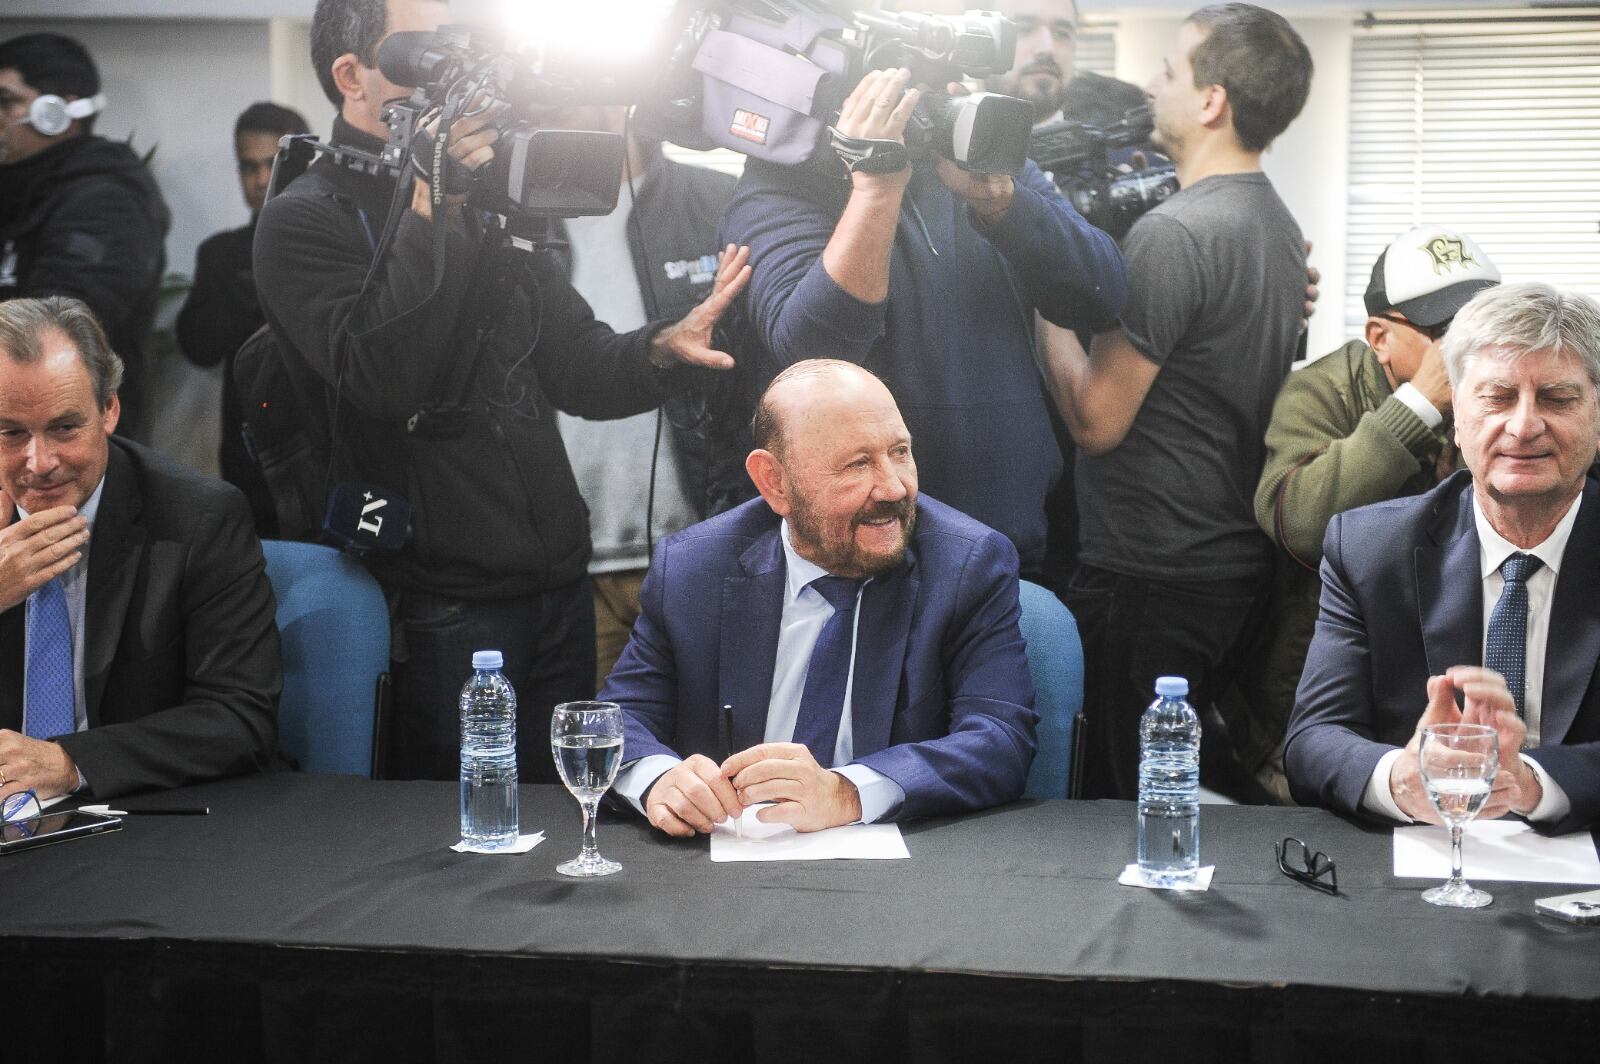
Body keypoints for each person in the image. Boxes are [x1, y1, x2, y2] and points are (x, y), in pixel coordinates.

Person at [252, 0, 749, 784]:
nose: (462, 66)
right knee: (462, 839)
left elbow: (578, 365)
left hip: (555, 583)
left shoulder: (487, 208)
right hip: (439, 601)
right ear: (352, 77)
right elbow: (386, 378)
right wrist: (431, 197)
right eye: (429, 50)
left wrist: (663, 346)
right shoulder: (304, 222)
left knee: (562, 814)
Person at [715, 53, 1127, 578]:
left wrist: (1000, 200)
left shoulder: (985, 165)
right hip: (867, 556)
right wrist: (876, 185)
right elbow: (814, 355)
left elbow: (1101, 294)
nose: (927, 95)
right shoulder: (781, 179)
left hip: (1011, 545)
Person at [1042, 3, 1312, 799]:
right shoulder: (1277, 224)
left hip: (1149, 575)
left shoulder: (1176, 233)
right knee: (1171, 793)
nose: (1152, 87)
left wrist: (1045, 305)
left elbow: (1097, 418)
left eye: (1169, 71)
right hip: (1223, 568)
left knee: (1127, 806)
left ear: (1211, 102)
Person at [605, 360, 1037, 836]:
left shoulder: (967, 565)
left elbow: (1000, 738)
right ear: (775, 482)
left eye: (900, 451)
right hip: (727, 872)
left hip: (899, 876)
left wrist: (848, 793)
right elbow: (618, 721)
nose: (894, 486)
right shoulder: (693, 569)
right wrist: (659, 780)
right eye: (857, 464)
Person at [1285, 282, 1600, 836]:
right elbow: (1314, 739)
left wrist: (1530, 782)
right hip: (1422, 865)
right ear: (1455, 415)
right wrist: (1401, 778)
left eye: (1557, 398)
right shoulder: (1368, 549)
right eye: (1497, 397)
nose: (1524, 426)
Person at [1242, 225, 1501, 801]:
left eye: (1481, 324)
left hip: (1446, 687)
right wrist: (1417, 408)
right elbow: (1301, 521)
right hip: (1325, 689)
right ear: (1380, 337)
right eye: (1444, 331)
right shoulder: (1322, 391)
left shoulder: (1497, 396)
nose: (1470, 346)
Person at [0, 297, 280, 803]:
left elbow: (240, 718)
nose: (38, 463)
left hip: (131, 821)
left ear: (109, 409)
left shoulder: (197, 518)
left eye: (64, 428)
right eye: (9, 432)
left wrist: (71, 762)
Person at [554, 106, 738, 691]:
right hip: (565, 568)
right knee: (588, 769)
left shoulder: (719, 200)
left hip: (699, 553)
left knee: (710, 761)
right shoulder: (512, 215)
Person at [0, 33, 170, 444]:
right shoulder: (21, 191)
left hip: (74, 456)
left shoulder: (106, 202)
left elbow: (50, 333)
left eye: (7, 103)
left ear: (56, 112)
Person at [176, 101, 312, 538]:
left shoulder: (334, 246)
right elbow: (198, 346)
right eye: (247, 167)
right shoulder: (222, 254)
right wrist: (245, 289)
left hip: (322, 446)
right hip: (248, 453)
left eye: (270, 165)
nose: (257, 180)